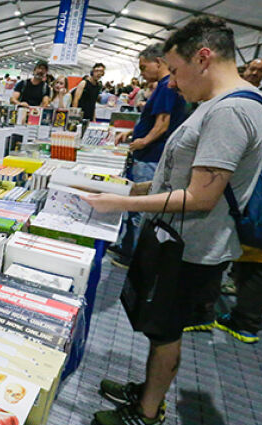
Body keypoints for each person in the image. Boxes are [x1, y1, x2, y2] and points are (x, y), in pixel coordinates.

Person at [85, 16, 262, 425]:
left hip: (190, 246)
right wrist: (133, 190)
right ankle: (148, 391)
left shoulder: (233, 111)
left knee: (166, 328)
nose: (170, 83)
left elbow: (200, 197)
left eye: (175, 71)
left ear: (203, 58)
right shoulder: (219, 105)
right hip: (178, 238)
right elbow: (186, 178)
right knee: (159, 325)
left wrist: (116, 202)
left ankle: (147, 414)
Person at [109, 43, 188, 268]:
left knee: (139, 207)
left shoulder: (165, 87)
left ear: (159, 62)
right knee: (134, 203)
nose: (142, 73)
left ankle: (130, 254)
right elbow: (152, 121)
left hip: (152, 155)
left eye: (144, 67)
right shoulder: (162, 86)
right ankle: (126, 246)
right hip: (149, 153)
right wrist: (132, 132)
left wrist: (143, 141)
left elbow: (162, 123)